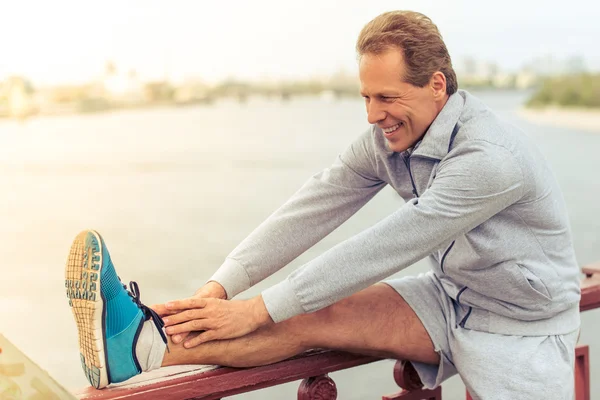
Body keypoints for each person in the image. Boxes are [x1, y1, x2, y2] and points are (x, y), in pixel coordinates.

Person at [65, 10, 581, 399]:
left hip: (523, 330)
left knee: (289, 306)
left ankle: (143, 341)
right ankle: (140, 347)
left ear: (436, 86)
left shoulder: (491, 159)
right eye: (365, 98)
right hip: (450, 299)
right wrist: (219, 291)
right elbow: (310, 207)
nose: (373, 114)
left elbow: (386, 245)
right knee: (316, 313)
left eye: (386, 97)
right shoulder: (389, 138)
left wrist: (257, 309)